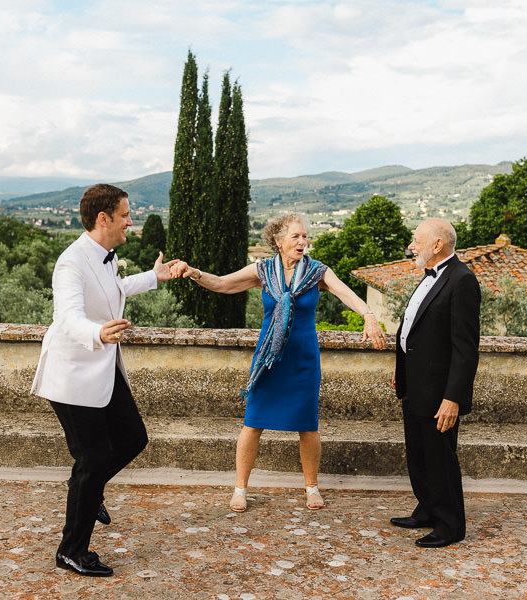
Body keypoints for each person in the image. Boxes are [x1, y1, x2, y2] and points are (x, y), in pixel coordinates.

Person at [171, 213, 386, 512]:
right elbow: (221, 284)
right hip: (268, 359)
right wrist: (193, 272)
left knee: (307, 425)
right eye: (295, 236)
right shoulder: (262, 270)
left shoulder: (317, 272)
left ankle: (312, 488)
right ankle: (240, 489)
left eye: (304, 236)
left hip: (303, 359)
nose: (302, 241)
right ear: (278, 240)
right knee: (253, 422)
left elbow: (346, 293)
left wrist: (369, 316)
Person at [30, 183, 179, 577]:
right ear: (104, 218)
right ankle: (71, 551)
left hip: (102, 370)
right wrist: (97, 334)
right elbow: (68, 317)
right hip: (73, 374)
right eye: (126, 214)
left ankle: (86, 487)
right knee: (93, 459)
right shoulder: (71, 263)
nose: (131, 221)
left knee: (133, 439)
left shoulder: (106, 257)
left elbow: (114, 288)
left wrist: (153, 276)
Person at [390, 218, 480, 548]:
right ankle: (427, 508)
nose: (412, 246)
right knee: (419, 454)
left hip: (440, 391)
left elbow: (466, 348)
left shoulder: (462, 280)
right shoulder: (429, 277)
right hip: (415, 386)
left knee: (440, 458)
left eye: (417, 240)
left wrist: (453, 398)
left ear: (437, 244)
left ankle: (450, 525)